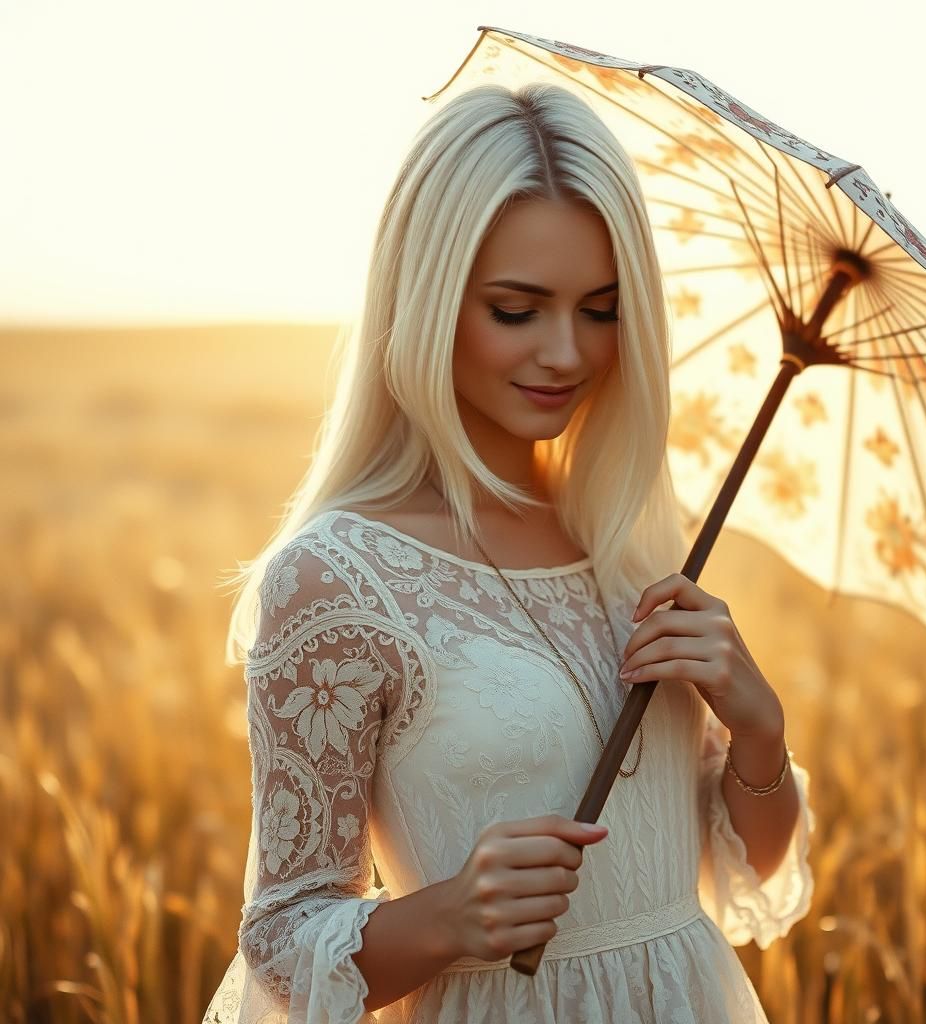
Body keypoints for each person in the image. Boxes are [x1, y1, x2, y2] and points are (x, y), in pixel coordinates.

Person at [202, 81, 815, 1023]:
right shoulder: (337, 578)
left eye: (601, 310)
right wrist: (449, 917)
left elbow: (745, 868)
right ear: (428, 300)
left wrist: (759, 731)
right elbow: (283, 942)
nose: (566, 353)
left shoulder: (624, 541)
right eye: (517, 310)